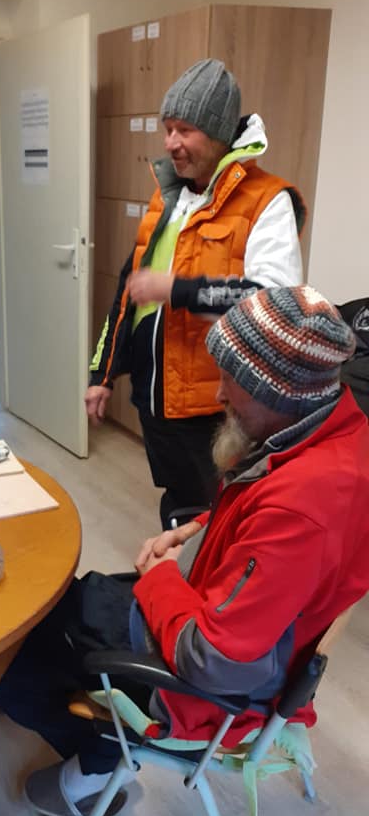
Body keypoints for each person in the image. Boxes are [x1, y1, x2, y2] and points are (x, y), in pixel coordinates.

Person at [0, 285, 369, 816]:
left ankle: (95, 767)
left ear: (276, 391)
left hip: (205, 686)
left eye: (233, 381)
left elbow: (212, 661)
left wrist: (161, 578)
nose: (219, 392)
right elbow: (259, 510)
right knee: (75, 600)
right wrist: (195, 529)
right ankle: (94, 743)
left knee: (17, 664)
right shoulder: (337, 430)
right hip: (239, 623)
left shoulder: (303, 509)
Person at [86, 59, 305, 528]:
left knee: (218, 519)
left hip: (215, 409)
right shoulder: (169, 197)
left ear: (219, 132)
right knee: (179, 506)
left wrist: (178, 290)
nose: (170, 143)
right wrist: (101, 374)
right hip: (157, 400)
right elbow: (130, 290)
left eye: (184, 130)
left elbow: (274, 303)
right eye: (168, 129)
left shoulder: (267, 200)